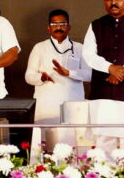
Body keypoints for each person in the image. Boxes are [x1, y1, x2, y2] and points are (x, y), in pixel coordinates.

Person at [25, 9, 91, 149]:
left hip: (72, 104)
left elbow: (89, 75)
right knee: (44, 145)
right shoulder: (39, 48)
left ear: (69, 27)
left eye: (62, 23)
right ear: (48, 28)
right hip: (46, 106)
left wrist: (69, 73)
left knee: (73, 145)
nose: (58, 27)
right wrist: (41, 77)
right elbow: (28, 76)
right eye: (54, 24)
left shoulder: (79, 48)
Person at [82, 0, 124, 153]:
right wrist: (110, 68)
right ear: (104, 1)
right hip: (103, 92)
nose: (113, 2)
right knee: (104, 140)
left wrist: (121, 71)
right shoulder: (96, 25)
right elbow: (88, 54)